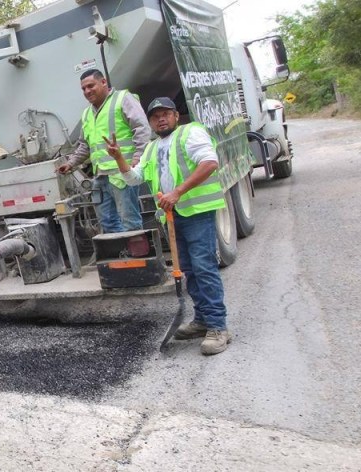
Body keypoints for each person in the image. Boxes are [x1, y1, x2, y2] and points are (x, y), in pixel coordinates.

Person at [105, 97, 233, 355]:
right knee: (190, 269)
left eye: (165, 114)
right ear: (150, 122)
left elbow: (209, 163)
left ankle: (218, 327)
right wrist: (119, 158)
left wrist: (177, 192)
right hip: (172, 217)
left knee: (204, 267)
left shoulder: (190, 133)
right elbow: (134, 179)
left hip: (197, 212)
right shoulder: (152, 148)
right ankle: (202, 319)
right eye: (155, 116)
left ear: (175, 116)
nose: (160, 119)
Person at [57, 69, 151, 234]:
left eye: (90, 86)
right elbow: (85, 145)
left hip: (123, 175)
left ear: (103, 82)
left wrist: (138, 158)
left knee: (130, 222)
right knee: (107, 223)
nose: (87, 91)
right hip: (100, 177)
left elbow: (142, 129)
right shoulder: (87, 113)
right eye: (83, 89)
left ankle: (135, 250)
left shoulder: (122, 99)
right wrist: (71, 163)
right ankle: (120, 249)